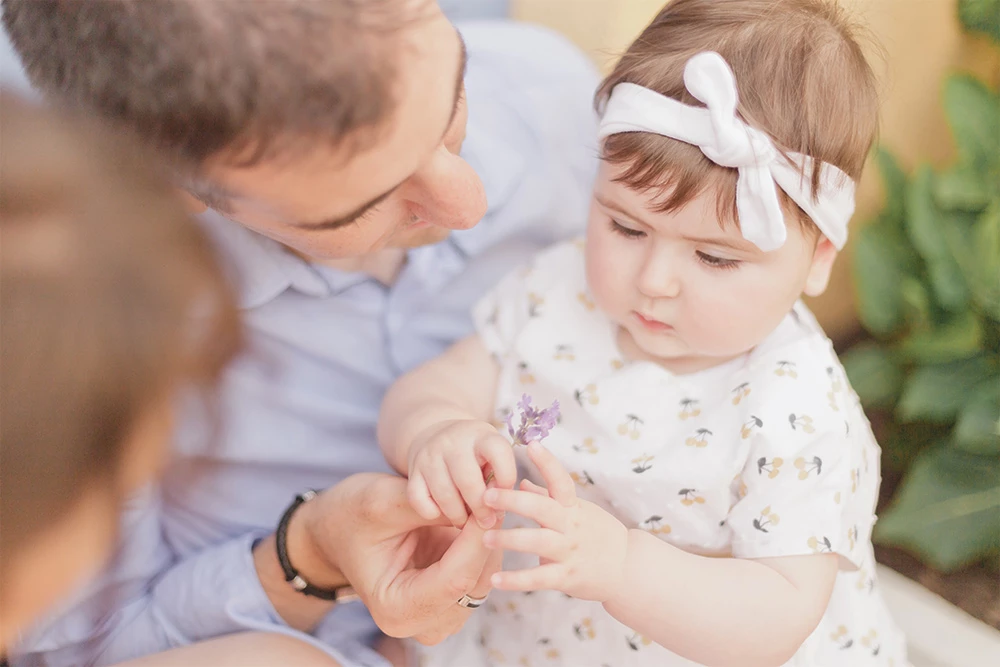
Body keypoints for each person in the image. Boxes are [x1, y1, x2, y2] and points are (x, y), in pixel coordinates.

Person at [1, 0, 599, 665]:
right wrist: (307, 554)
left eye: (456, 96)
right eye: (367, 201)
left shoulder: (551, 92)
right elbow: (81, 645)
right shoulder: (75, 338)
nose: (470, 202)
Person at [378, 0, 911, 665]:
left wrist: (622, 564)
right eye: (626, 227)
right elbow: (441, 381)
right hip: (533, 636)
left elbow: (777, 614)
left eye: (714, 256)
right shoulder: (558, 290)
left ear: (820, 257)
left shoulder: (796, 408)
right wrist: (435, 429)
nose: (655, 278)